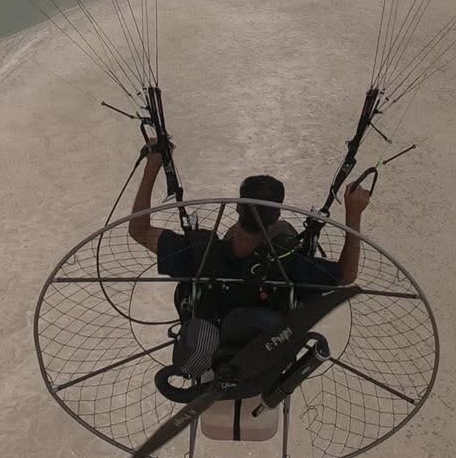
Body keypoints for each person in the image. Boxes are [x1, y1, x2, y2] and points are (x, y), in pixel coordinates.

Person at [127, 147, 369, 377]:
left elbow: (139, 230)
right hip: (266, 360)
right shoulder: (289, 266)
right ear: (276, 217)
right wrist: (354, 214)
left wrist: (153, 164)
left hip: (213, 354)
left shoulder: (201, 253)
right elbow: (347, 275)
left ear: (237, 208)